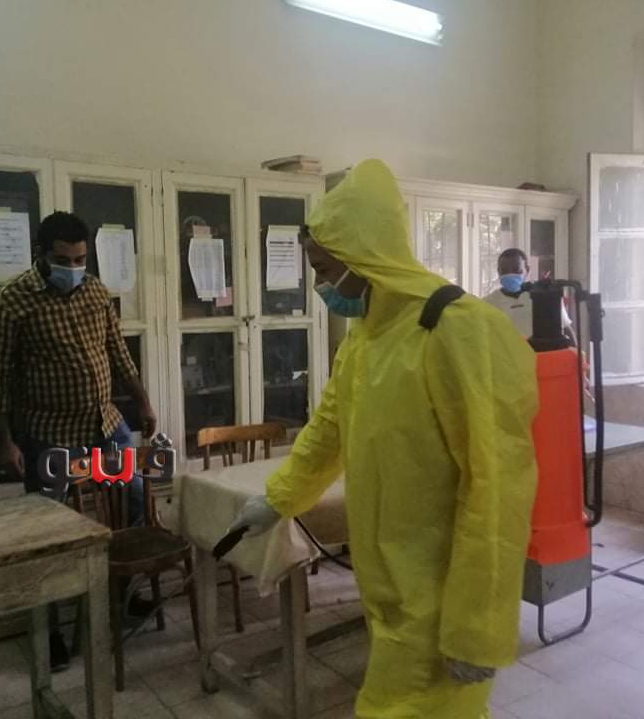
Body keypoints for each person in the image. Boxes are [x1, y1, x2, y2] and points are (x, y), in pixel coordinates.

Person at [229, 160, 539, 718]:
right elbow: (329, 430)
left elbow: (497, 488)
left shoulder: (457, 329)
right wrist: (277, 499)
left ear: (363, 255)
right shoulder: (368, 336)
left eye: (324, 269)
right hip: (391, 589)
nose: (320, 286)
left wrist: (478, 626)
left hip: (443, 601)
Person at [0, 210, 158, 670]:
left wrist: (142, 401)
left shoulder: (95, 290)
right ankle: (51, 632)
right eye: (64, 260)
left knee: (136, 503)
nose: (74, 268)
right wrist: (4, 441)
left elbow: (117, 350)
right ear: (41, 254)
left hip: (106, 426)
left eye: (81, 260)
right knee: (48, 533)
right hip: (50, 435)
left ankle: (116, 596)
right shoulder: (11, 302)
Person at [483, 248, 577, 345]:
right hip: (506, 354)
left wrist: (577, 353)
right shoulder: (487, 303)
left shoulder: (546, 297)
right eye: (504, 271)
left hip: (541, 352)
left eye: (516, 270)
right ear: (498, 272)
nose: (510, 274)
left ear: (527, 270)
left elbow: (566, 329)